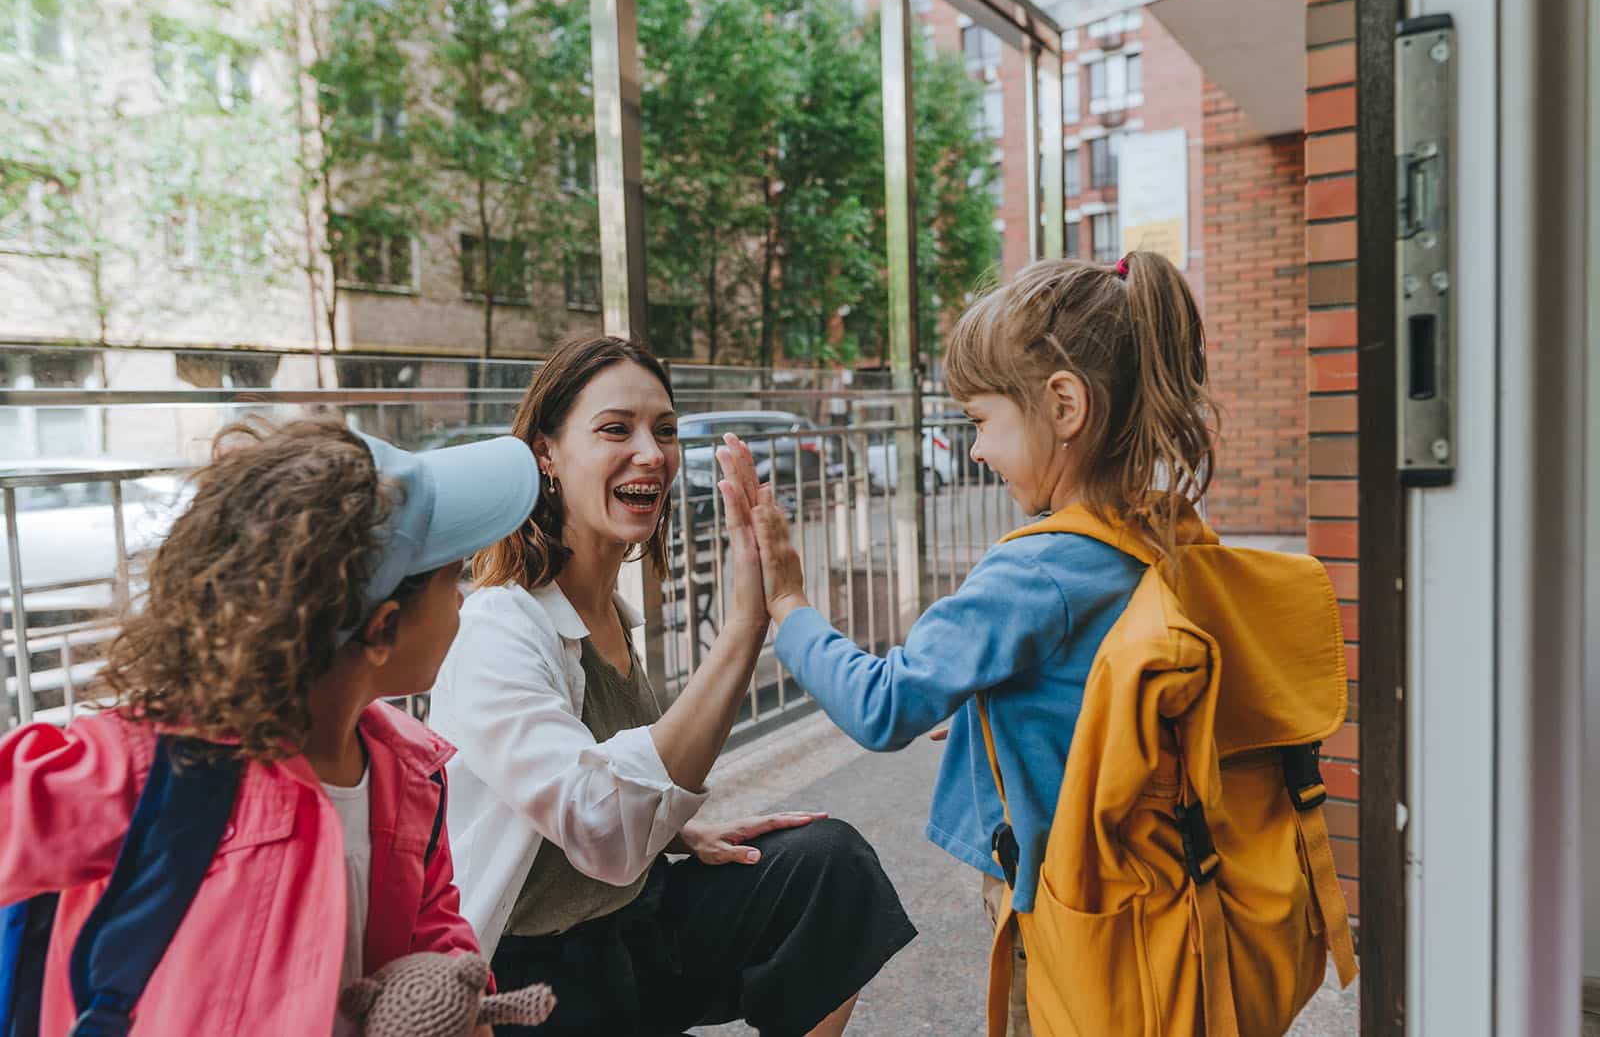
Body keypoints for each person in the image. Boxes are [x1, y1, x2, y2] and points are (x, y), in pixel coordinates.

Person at [738, 251, 1220, 1036]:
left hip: (1060, 905)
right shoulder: (1165, 533)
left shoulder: (1033, 569)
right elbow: (1094, 690)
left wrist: (789, 605)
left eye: (980, 420)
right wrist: (983, 707)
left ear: (1063, 404)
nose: (975, 451)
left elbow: (883, 706)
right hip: (1156, 880)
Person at [428, 335, 914, 1037]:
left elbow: (591, 780)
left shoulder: (611, 613)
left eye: (664, 430)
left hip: (632, 929)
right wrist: (747, 623)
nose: (651, 453)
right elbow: (592, 819)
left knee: (827, 865)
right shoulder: (498, 626)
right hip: (534, 977)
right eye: (615, 429)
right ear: (546, 453)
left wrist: (679, 832)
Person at [0, 417, 539, 1036]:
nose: (464, 600)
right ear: (383, 628)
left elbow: (433, 928)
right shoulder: (150, 767)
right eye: (453, 580)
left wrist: (459, 996)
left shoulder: (413, 775)